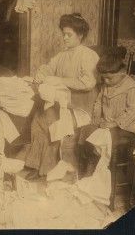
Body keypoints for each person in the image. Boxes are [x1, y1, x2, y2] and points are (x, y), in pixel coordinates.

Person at [24, 13, 100, 180]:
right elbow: (48, 68)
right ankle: (40, 167)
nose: (64, 38)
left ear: (80, 35)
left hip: (81, 106)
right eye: (63, 34)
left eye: (69, 35)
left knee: (53, 123)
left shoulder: (88, 55)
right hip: (64, 103)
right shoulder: (63, 54)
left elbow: (88, 83)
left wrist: (60, 80)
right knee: (39, 119)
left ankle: (58, 171)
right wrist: (41, 73)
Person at [78, 47, 135, 177]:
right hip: (110, 126)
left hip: (127, 130)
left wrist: (114, 123)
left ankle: (99, 170)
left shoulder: (133, 89)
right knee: (87, 130)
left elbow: (133, 112)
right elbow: (98, 103)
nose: (106, 82)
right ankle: (91, 165)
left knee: (100, 139)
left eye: (109, 78)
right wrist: (96, 118)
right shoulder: (106, 85)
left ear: (123, 72)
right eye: (103, 78)